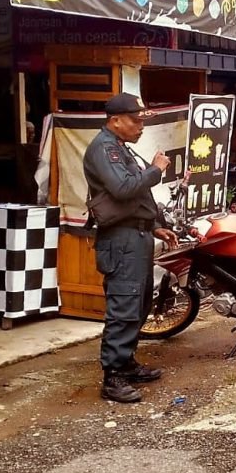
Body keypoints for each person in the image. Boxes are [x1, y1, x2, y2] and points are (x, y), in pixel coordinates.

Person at [83, 93, 177, 404]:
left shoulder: (119, 147)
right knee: (124, 307)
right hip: (120, 241)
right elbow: (123, 189)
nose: (140, 127)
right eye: (135, 121)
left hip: (136, 237)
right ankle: (113, 376)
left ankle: (127, 362)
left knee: (138, 305)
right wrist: (155, 170)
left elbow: (135, 198)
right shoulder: (103, 148)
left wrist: (154, 227)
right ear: (116, 121)